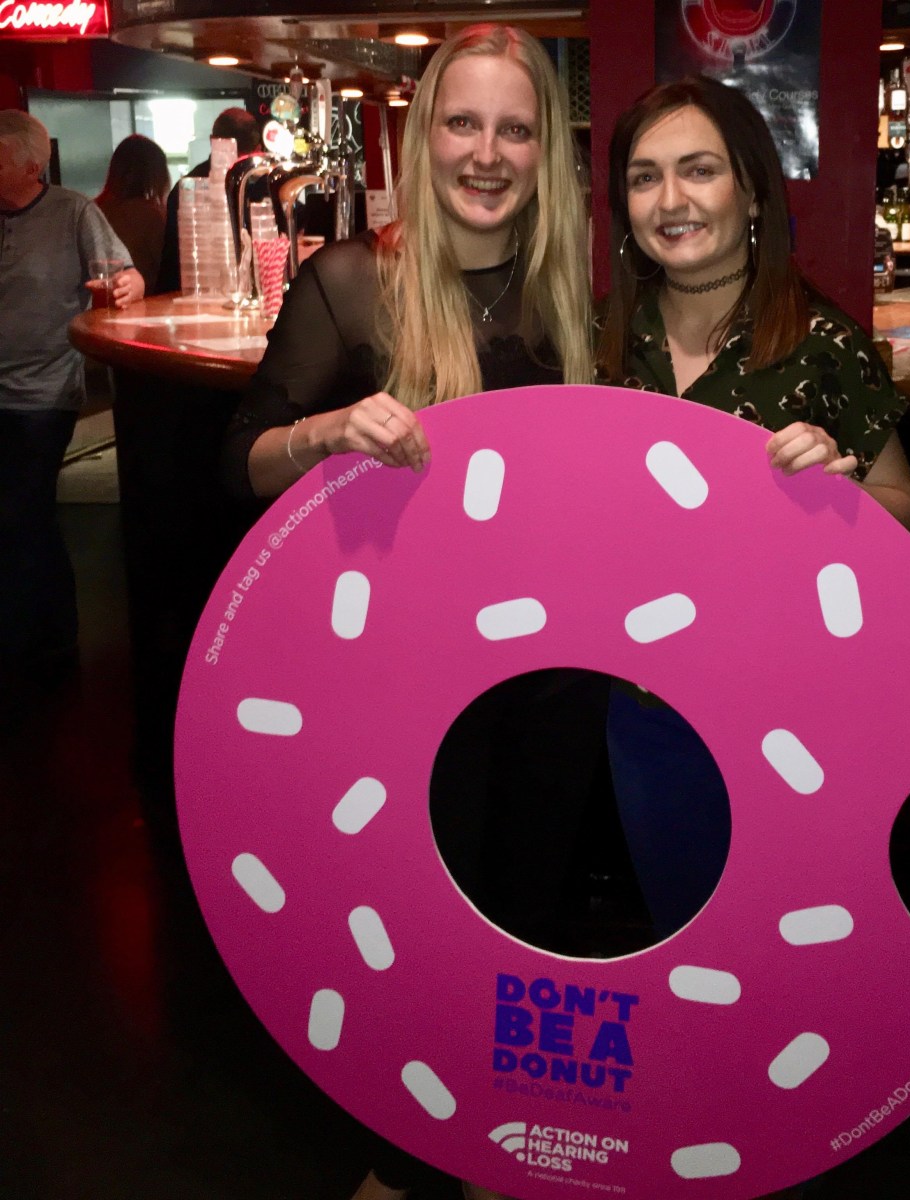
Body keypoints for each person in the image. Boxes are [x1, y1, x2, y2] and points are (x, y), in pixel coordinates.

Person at [222, 24, 594, 1200]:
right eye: (464, 123)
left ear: (546, 152)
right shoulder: (351, 285)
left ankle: (494, 1147)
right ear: (424, 135)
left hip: (558, 684)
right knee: (416, 935)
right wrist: (331, 433)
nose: (487, 153)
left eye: (516, 128)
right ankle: (407, 1151)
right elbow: (240, 463)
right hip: (406, 696)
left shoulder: (587, 295)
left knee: (531, 928)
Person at [596, 76, 910, 940]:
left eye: (697, 170)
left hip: (791, 705)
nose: (670, 201)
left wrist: (837, 496)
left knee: (791, 942)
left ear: (748, 190)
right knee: (681, 935)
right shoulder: (600, 335)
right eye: (643, 177)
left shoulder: (824, 341)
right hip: (646, 707)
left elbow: (907, 508)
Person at [0, 109, 144, 678]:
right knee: (19, 514)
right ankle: (43, 634)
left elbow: (123, 274)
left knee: (22, 510)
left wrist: (124, 286)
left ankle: (45, 642)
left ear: (31, 166)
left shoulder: (72, 212)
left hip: (45, 386)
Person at [154, 106, 261, 294]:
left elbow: (172, 265)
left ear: (213, 141)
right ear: (258, 149)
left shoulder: (186, 187)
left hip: (185, 295)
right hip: (239, 292)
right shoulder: (261, 186)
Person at [95, 133, 171, 292]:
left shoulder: (95, 209)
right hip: (147, 303)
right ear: (156, 173)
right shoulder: (151, 215)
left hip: (102, 299)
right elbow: (167, 267)